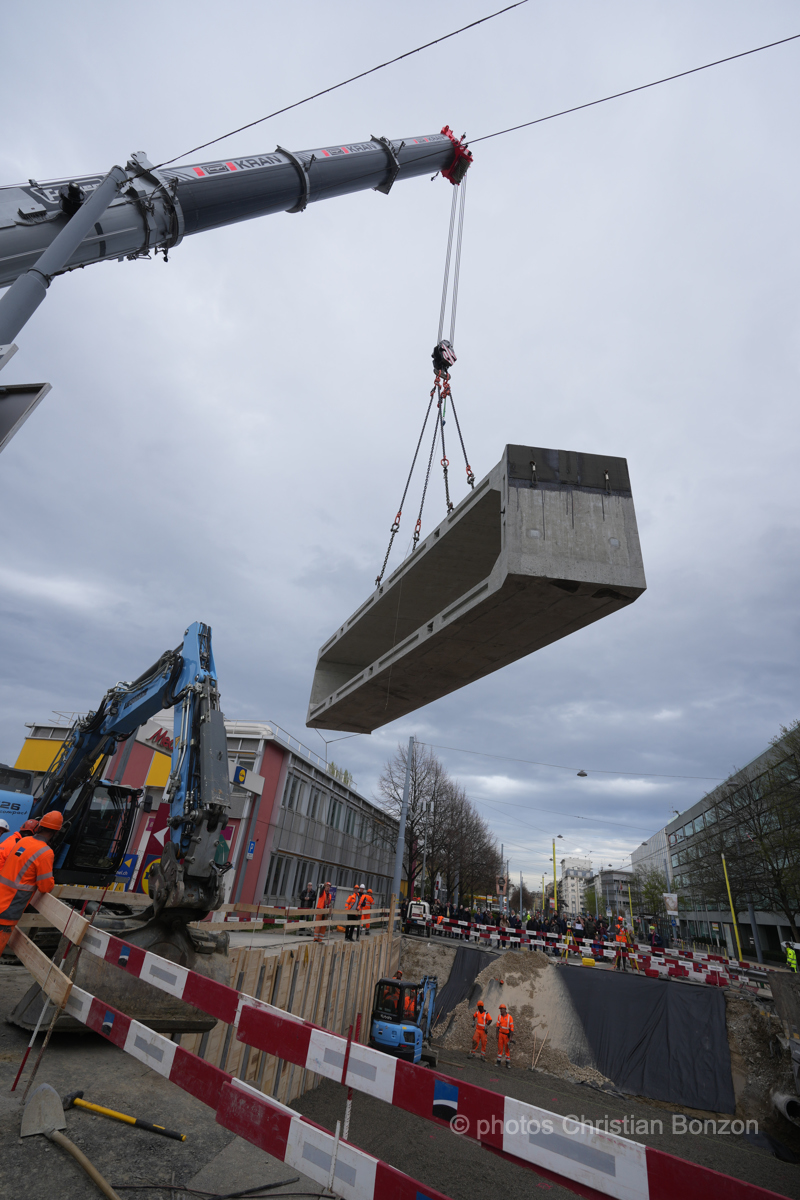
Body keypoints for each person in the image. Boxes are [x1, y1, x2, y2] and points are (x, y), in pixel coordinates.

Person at [0, 811, 62, 955]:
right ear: (56, 832)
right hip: (10, 906)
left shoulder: (22, 841)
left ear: (39, 827)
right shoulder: (46, 853)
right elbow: (45, 887)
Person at [496, 1003, 514, 1068]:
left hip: (506, 1036)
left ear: (504, 1009)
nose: (500, 1010)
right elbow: (497, 1026)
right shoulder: (499, 1016)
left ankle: (507, 1064)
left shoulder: (510, 1017)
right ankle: (498, 1062)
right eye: (500, 1009)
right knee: (500, 1048)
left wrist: (511, 1037)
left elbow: (512, 1029)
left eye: (501, 1009)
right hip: (500, 1034)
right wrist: (497, 1034)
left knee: (507, 1050)